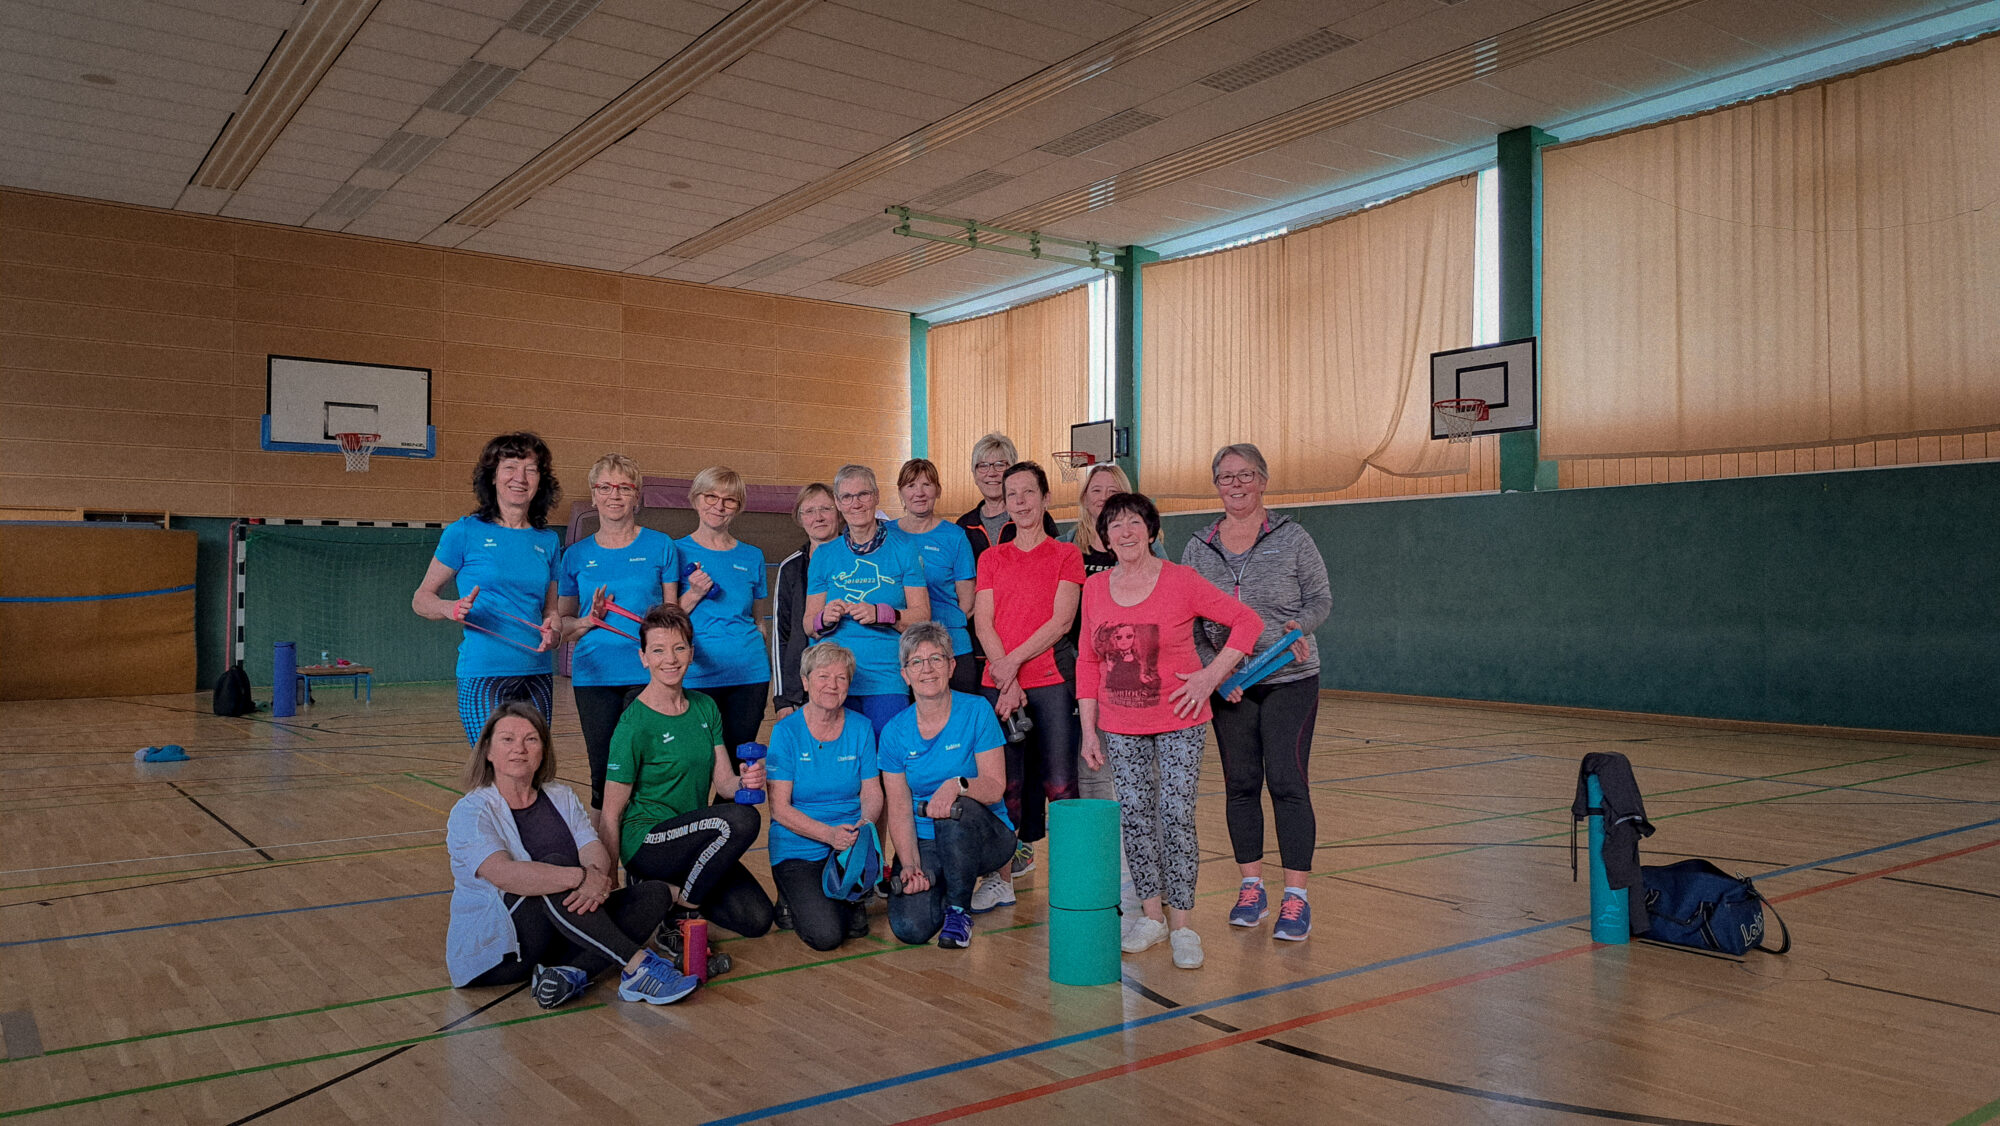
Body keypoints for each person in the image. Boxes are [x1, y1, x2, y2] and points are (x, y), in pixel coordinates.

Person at [1077, 492, 1261, 970]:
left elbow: (1247, 622)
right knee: (1136, 816)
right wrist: (1089, 729)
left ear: (1152, 530)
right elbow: (1087, 660)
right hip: (1119, 723)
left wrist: (1209, 677)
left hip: (1181, 716)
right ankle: (1152, 917)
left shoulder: (1181, 580)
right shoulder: (1094, 590)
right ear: (1105, 537)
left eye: (1135, 522)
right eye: (1115, 525)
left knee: (1176, 813)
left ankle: (1182, 925)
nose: (1126, 532)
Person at [445, 702, 696, 1008]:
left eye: (531, 739)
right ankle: (637, 967)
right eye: (507, 739)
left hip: (563, 936)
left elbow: (594, 850)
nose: (519, 749)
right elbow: (504, 874)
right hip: (501, 952)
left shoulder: (560, 795)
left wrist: (595, 878)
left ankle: (571, 972)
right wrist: (581, 877)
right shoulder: (471, 810)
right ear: (488, 751)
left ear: (543, 750)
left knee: (654, 894)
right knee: (554, 868)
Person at [1180, 443, 1333, 942]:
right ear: (1216, 486)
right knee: (1240, 784)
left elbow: (1320, 599)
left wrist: (1300, 626)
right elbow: (1191, 623)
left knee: (1287, 781)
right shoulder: (1198, 547)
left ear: (1264, 481)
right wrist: (1213, 673)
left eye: (1246, 475)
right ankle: (1251, 887)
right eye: (1226, 477)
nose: (1237, 485)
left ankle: (1296, 897)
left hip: (1290, 679)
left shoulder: (1293, 537)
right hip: (1230, 688)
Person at [601, 603, 775, 938]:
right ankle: (680, 906)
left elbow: (725, 784)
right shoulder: (633, 724)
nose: (670, 659)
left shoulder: (704, 707)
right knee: (742, 820)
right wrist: (609, 884)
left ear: (691, 653)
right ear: (643, 657)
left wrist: (746, 781)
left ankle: (670, 891)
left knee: (756, 919)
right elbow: (611, 813)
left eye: (679, 648)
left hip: (693, 838)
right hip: (648, 840)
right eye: (659, 650)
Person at [971, 461, 1083, 910]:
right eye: (1011, 493)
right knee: (1006, 787)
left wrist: (1012, 668)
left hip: (1050, 681)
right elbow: (983, 621)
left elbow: (1061, 621)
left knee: (1060, 784)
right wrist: (1005, 678)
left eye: (1028, 493)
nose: (1019, 501)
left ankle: (1076, 880)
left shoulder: (1065, 555)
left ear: (1045, 499)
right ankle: (1000, 880)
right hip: (998, 685)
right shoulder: (991, 557)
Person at [414, 431, 564, 745]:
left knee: (533, 771)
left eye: (531, 469)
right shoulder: (464, 532)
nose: (520, 478)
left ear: (540, 481)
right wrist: (450, 608)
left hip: (536, 674)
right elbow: (421, 598)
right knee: (493, 771)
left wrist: (554, 628)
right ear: (493, 477)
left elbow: (550, 609)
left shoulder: (548, 541)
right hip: (484, 674)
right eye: (510, 467)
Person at [878, 623, 1015, 949]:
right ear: (905, 674)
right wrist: (910, 865)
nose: (927, 669)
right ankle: (947, 886)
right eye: (917, 662)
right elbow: (898, 809)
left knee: (955, 811)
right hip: (926, 843)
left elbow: (995, 787)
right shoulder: (894, 733)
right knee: (910, 928)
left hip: (985, 836)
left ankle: (958, 911)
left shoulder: (977, 710)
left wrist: (957, 785)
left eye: (936, 659)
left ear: (952, 666)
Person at [556, 453, 678, 813]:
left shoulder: (660, 545)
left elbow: (672, 617)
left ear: (637, 496)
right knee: (603, 777)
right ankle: (603, 866)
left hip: (648, 677)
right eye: (605, 487)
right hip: (594, 679)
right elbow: (563, 626)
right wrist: (585, 622)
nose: (614, 495)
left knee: (650, 775)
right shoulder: (575, 555)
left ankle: (648, 862)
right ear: (593, 496)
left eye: (624, 487)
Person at [766, 642, 883, 951]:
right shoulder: (786, 732)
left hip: (848, 841)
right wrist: (829, 835)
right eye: (822, 676)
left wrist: (863, 827)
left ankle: (838, 896)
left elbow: (872, 791)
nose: (832, 685)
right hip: (798, 844)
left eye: (841, 678)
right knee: (828, 936)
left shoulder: (862, 728)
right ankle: (789, 896)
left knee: (856, 929)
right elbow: (779, 809)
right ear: (805, 682)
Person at [1058, 460, 1161, 803]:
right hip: (1081, 665)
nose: (1102, 498)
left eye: (1112, 491)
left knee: (1139, 769)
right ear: (1085, 498)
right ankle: (1103, 847)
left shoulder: (1148, 544)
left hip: (1130, 673)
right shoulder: (1067, 544)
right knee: (1093, 760)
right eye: (1095, 490)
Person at [803, 464, 930, 734]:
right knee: (842, 764)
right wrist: (824, 618)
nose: (856, 503)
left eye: (863, 494)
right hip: (833, 679)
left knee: (888, 761)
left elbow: (922, 616)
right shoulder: (824, 555)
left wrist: (884, 614)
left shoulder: (904, 548)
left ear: (876, 497)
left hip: (886, 678)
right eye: (847, 497)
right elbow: (808, 625)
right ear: (837, 503)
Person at [676, 466, 770, 759]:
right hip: (696, 675)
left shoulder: (752, 556)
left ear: (738, 507)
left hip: (749, 674)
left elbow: (758, 620)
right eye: (711, 496)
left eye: (729, 500)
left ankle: (728, 808)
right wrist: (693, 594)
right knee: (695, 763)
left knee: (738, 764)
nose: (719, 506)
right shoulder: (675, 551)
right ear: (695, 499)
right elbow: (665, 619)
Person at [893, 458, 979, 695]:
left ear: (938, 490)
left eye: (927, 485)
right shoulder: (886, 535)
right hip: (903, 648)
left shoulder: (955, 537)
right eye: (911, 486)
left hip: (952, 647)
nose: (919, 493)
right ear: (900, 492)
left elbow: (968, 604)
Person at [771, 482, 840, 719]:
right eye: (809, 511)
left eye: (826, 509)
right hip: (803, 689)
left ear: (839, 512)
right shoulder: (790, 568)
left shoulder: (857, 561)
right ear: (800, 518)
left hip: (850, 680)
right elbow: (782, 635)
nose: (818, 517)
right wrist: (782, 698)